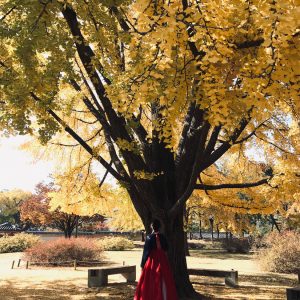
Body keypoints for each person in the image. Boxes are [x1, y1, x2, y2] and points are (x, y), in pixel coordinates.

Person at [134, 219, 178, 300]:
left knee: (151, 278)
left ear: (152, 227)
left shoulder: (149, 238)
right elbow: (166, 248)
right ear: (160, 227)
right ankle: (165, 296)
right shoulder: (163, 237)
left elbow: (146, 252)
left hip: (152, 260)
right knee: (164, 276)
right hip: (162, 258)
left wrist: (142, 264)